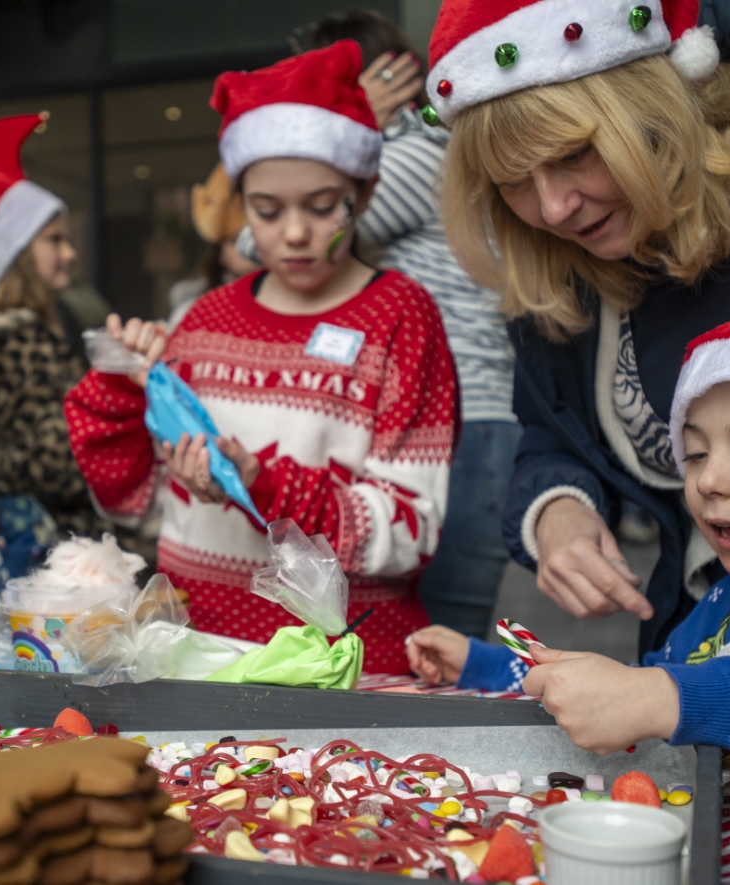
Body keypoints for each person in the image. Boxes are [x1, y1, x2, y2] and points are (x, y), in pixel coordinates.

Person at [426, 0, 730, 654]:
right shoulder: (566, 267)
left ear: (656, 101)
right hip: (728, 658)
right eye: (513, 181)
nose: (551, 207)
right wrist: (559, 511)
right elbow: (551, 439)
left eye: (575, 154)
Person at [65, 41, 458, 675]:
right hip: (199, 655)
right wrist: (122, 389)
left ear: (367, 187)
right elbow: (131, 502)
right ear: (240, 203)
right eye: (267, 210)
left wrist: (262, 485)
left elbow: (410, 528)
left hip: (342, 666)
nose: (295, 232)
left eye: (323, 205)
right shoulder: (203, 320)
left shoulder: (400, 318)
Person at [410, 315, 730, 757]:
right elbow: (629, 695)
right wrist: (492, 668)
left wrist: (666, 698)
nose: (707, 481)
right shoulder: (725, 601)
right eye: (697, 454)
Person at [296, 9, 517, 639]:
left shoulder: (417, 156)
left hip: (468, 426)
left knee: (441, 642)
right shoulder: (416, 151)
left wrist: (348, 118)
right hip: (453, 423)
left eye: (322, 89)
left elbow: (272, 243)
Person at [0, 115, 110, 584]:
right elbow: (42, 458)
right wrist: (121, 428)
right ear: (15, 254)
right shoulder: (21, 341)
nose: (69, 253)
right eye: (53, 240)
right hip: (53, 564)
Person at [167, 163, 260, 327]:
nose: (251, 247)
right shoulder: (194, 314)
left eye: (257, 236)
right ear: (220, 254)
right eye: (236, 240)